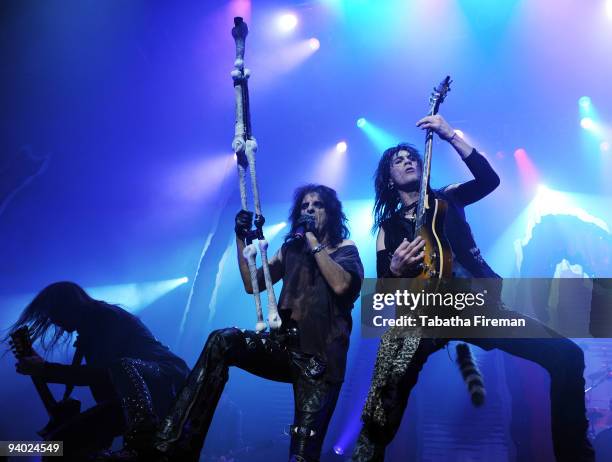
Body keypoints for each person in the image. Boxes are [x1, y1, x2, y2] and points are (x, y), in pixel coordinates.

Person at [351, 114, 594, 462]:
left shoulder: (447, 198)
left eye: (411, 157)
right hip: (424, 317)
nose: (406, 161)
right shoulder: (387, 229)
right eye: (397, 161)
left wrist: (451, 135)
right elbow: (386, 291)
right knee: (389, 388)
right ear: (389, 179)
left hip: (474, 305)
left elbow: (489, 179)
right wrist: (394, 268)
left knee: (568, 355)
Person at [155, 184, 364, 462]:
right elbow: (252, 284)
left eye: (318, 205)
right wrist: (241, 239)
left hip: (320, 360)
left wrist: (313, 241)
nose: (310, 209)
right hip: (284, 348)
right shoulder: (291, 248)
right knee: (223, 340)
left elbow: (341, 286)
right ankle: (174, 444)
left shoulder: (345, 248)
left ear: (332, 212)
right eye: (305, 205)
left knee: (302, 454)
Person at [7, 281, 189, 460]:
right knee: (50, 447)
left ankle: (141, 442)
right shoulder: (92, 326)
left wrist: (45, 369)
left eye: (53, 313)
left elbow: (106, 371)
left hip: (163, 385)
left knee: (56, 446)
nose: (53, 321)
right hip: (140, 395)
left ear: (67, 306)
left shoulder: (105, 318)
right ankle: (7, 449)